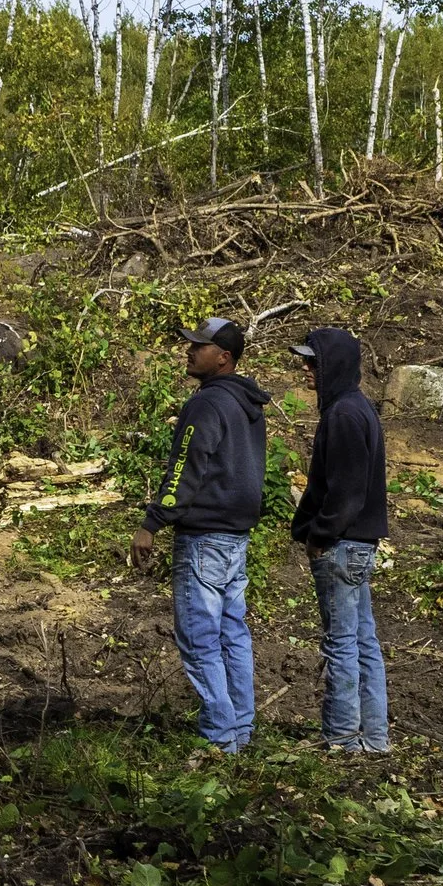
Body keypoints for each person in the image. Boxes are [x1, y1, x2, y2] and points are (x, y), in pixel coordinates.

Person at [130, 317, 270, 752]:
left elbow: (186, 468)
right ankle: (241, 732)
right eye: (190, 344)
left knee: (200, 637)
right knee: (233, 633)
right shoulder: (249, 405)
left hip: (204, 539)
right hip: (236, 538)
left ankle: (220, 738)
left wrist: (153, 522)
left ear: (223, 357)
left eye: (199, 346)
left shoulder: (207, 404)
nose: (189, 351)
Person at [289, 327, 390, 751]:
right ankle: (374, 739)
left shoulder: (345, 415)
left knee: (342, 643)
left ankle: (344, 739)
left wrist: (320, 535)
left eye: (314, 361)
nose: (307, 368)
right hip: (356, 545)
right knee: (362, 640)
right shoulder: (354, 409)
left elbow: (347, 492)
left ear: (336, 365)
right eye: (306, 360)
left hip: (342, 544)